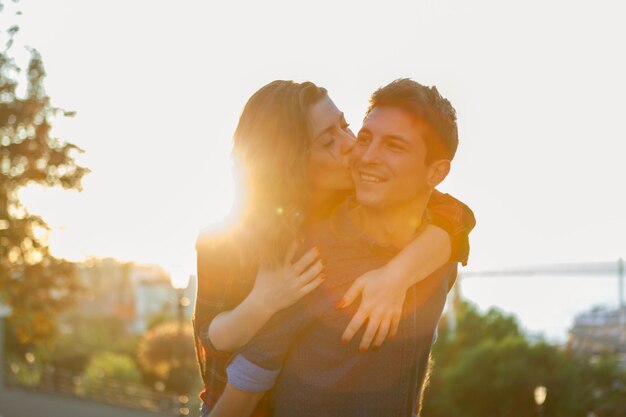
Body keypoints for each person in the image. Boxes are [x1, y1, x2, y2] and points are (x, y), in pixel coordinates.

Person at [194, 80, 474, 416]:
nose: (354, 148)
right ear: (291, 164)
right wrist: (263, 301)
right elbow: (211, 338)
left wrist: (395, 276)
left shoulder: (392, 212)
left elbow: (455, 215)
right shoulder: (237, 244)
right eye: (329, 140)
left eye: (346, 127)